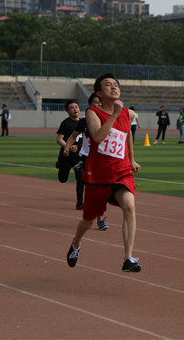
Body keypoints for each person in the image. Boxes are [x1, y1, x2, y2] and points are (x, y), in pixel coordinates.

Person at [66, 73, 141, 272]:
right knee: (89, 221)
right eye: (108, 85)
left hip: (121, 171)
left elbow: (127, 135)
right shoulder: (92, 112)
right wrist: (114, 114)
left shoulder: (128, 114)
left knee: (129, 205)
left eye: (116, 84)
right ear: (99, 93)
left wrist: (132, 159)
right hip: (98, 174)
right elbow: (98, 137)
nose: (114, 87)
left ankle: (128, 258)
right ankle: (76, 243)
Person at [63, 94, 108, 230]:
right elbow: (73, 136)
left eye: (100, 103)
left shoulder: (107, 119)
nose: (99, 105)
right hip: (87, 157)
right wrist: (67, 147)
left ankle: (95, 215)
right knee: (94, 188)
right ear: (90, 105)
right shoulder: (84, 121)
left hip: (102, 158)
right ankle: (99, 219)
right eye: (96, 102)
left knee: (101, 190)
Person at [56, 101, 85, 210]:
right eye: (72, 108)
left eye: (76, 107)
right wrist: (68, 147)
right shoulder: (66, 123)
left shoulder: (83, 122)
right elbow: (59, 139)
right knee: (62, 179)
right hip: (66, 155)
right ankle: (60, 164)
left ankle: (80, 203)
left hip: (79, 157)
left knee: (80, 179)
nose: (75, 109)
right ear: (67, 111)